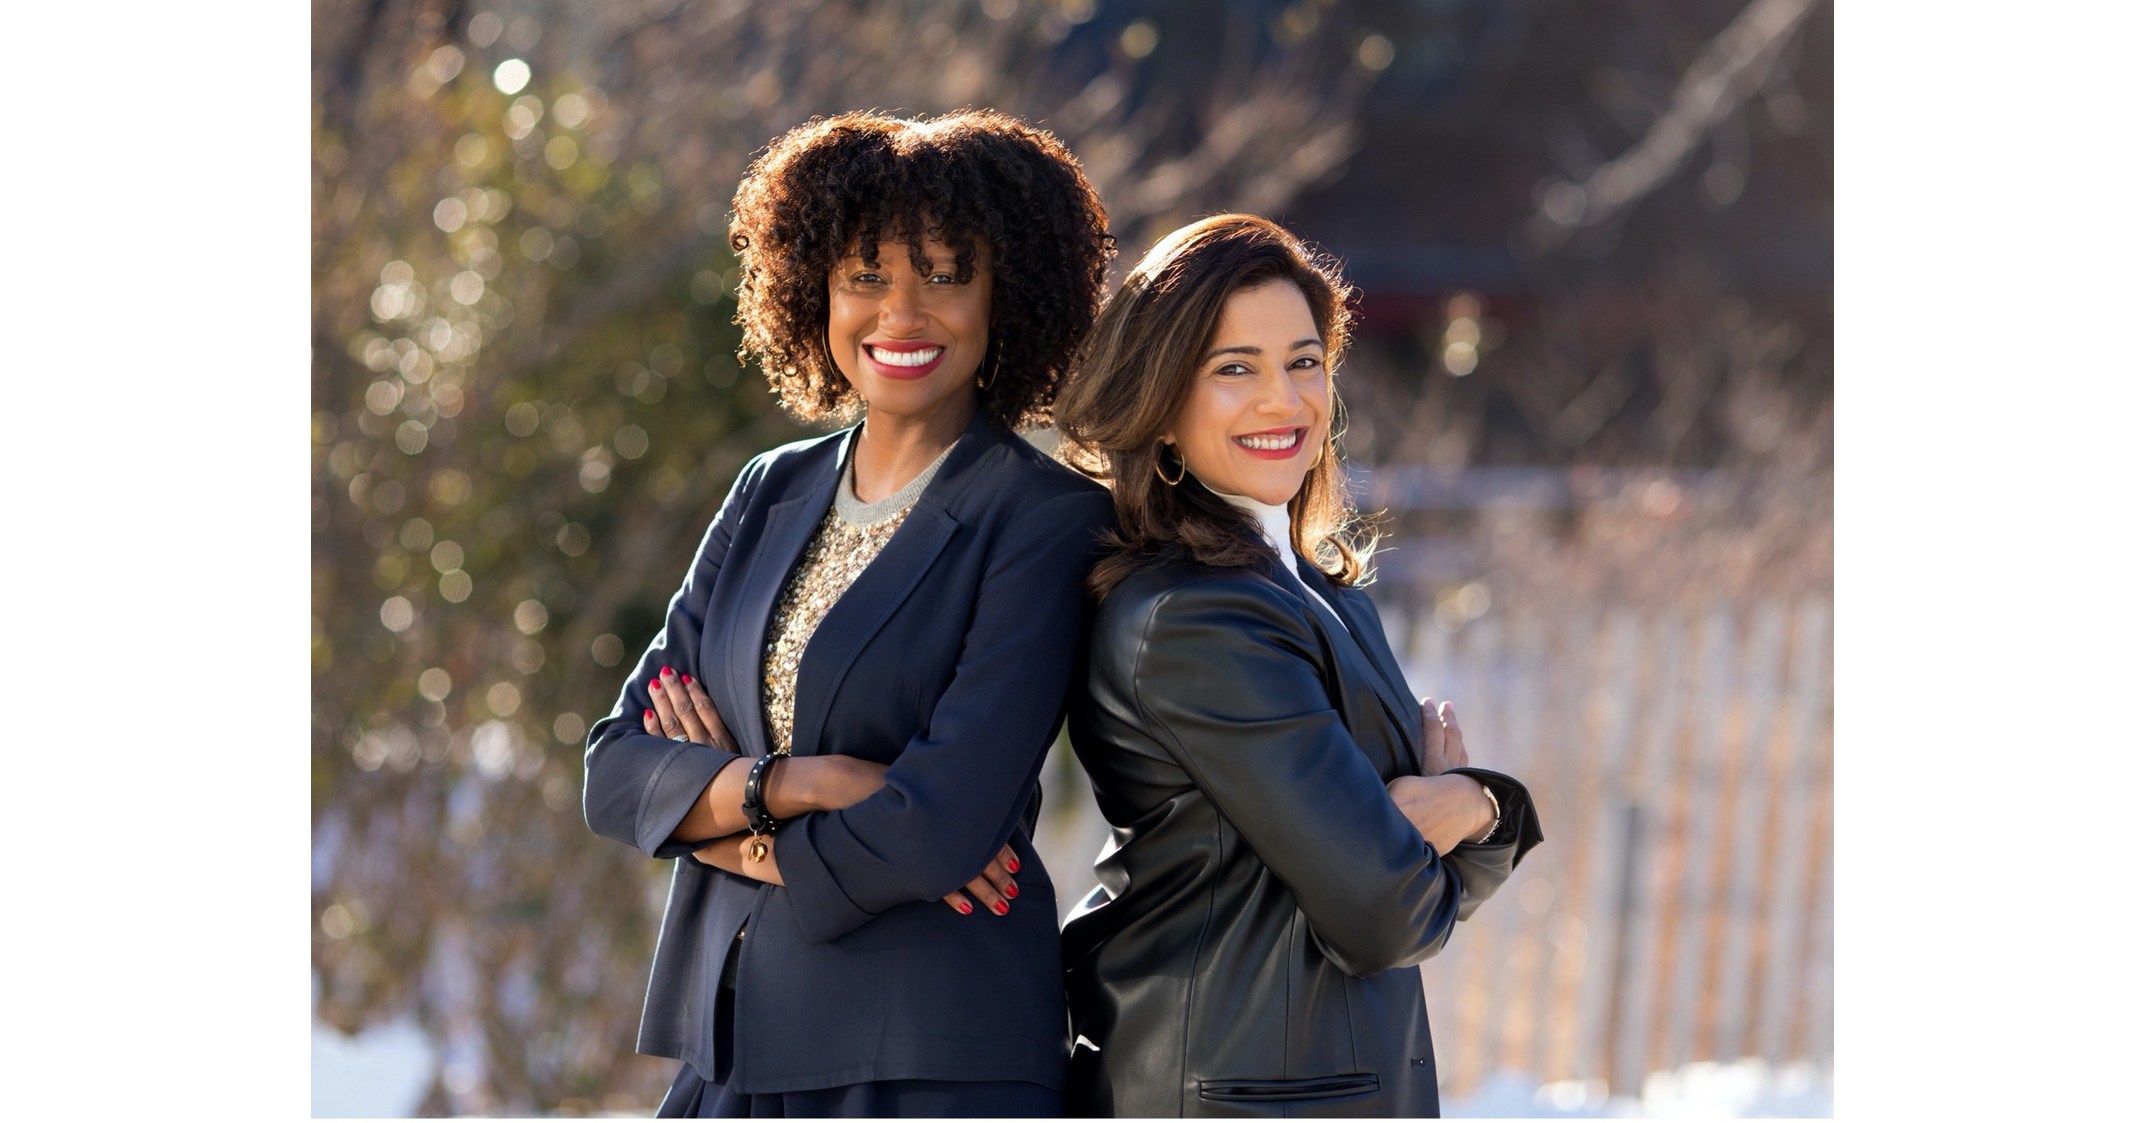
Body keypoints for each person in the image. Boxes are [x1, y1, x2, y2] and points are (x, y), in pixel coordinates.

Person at [580, 109, 1116, 1117]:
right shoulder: (767, 491)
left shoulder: (1044, 520)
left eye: (947, 274)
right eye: (865, 276)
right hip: (734, 1043)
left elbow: (938, 829)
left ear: (1010, 294)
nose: (901, 314)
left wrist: (712, 815)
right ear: (812, 292)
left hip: (930, 1059)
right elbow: (617, 772)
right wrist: (809, 780)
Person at [1052, 214, 1544, 1117]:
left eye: (1303, 361)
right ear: (1159, 399)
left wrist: (1464, 809)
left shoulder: (1316, 592)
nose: (1282, 400)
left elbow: (1390, 878)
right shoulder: (1191, 618)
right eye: (1232, 367)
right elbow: (1382, 910)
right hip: (1224, 1090)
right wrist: (1471, 806)